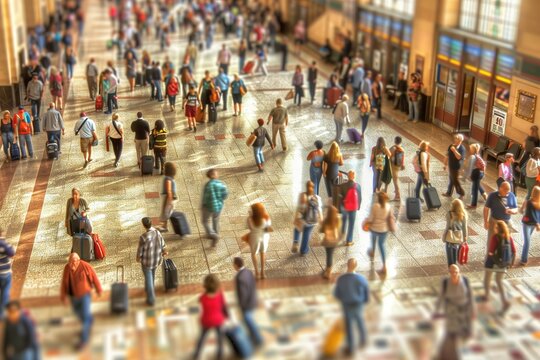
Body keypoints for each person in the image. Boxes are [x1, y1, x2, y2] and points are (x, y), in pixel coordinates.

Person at [60, 253, 102, 350]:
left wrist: (99, 290)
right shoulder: (67, 268)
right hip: (73, 296)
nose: (71, 265)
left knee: (85, 318)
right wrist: (63, 297)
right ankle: (88, 322)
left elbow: (94, 277)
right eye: (70, 262)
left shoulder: (85, 266)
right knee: (78, 314)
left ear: (78, 260)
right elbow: (64, 283)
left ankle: (83, 340)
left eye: (73, 262)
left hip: (84, 296)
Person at [433, 265, 475, 360]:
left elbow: (470, 297)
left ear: (459, 271)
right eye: (452, 272)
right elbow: (441, 297)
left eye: (456, 272)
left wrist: (472, 311)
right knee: (452, 333)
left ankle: (446, 354)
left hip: (464, 311)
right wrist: (436, 311)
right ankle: (450, 355)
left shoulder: (465, 281)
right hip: (451, 311)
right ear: (449, 272)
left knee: (459, 334)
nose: (454, 274)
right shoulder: (445, 282)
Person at [334, 259, 369, 355]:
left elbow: (337, 294)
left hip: (346, 304)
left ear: (347, 265)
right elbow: (366, 293)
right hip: (358, 304)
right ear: (356, 266)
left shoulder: (341, 279)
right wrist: (364, 300)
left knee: (348, 326)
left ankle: (351, 348)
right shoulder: (361, 279)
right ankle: (363, 340)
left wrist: (343, 299)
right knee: (360, 321)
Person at [483, 221, 516, 314]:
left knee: (487, 278)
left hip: (493, 263)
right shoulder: (509, 237)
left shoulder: (495, 237)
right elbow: (514, 251)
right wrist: (510, 263)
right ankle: (505, 301)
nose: (494, 229)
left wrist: (489, 258)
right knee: (499, 281)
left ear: (498, 229)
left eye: (496, 228)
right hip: (504, 263)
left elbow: (490, 251)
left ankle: (487, 296)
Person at [193, 274, 228, 360]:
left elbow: (200, 299)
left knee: (202, 338)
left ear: (205, 286)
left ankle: (197, 354)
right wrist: (226, 316)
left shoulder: (203, 298)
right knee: (220, 338)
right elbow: (224, 307)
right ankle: (220, 355)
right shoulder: (220, 295)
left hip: (206, 321)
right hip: (218, 320)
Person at [233, 257, 263, 347]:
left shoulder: (239, 277)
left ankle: (258, 340)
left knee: (249, 322)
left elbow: (242, 294)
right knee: (249, 322)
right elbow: (253, 285)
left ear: (236, 265)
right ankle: (253, 338)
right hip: (252, 300)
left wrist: (241, 307)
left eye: (233, 265)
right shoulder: (248, 272)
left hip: (246, 305)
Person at [137, 217, 167, 306]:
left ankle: (151, 299)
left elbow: (140, 251)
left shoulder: (143, 237)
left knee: (148, 277)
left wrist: (138, 258)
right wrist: (164, 251)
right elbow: (163, 244)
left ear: (144, 225)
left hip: (147, 261)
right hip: (157, 259)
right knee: (152, 274)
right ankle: (148, 288)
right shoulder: (157, 233)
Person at [483, 181, 518, 251]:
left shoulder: (511, 195)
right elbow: (486, 209)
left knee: (505, 241)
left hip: (506, 222)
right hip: (494, 221)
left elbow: (516, 209)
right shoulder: (492, 196)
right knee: (491, 241)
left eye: (508, 191)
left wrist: (512, 211)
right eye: (506, 191)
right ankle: (489, 257)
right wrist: (485, 221)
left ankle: (502, 256)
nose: (507, 194)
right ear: (500, 189)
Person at [365, 192, 394, 275]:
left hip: (374, 229)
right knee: (381, 245)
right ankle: (384, 265)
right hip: (384, 229)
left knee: (373, 241)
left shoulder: (375, 206)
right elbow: (390, 218)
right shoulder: (388, 206)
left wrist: (368, 222)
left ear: (378, 198)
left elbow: (370, 219)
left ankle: (372, 252)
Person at [292, 181, 322, 255]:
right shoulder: (317, 198)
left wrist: (296, 218)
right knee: (306, 234)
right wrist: (321, 219)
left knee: (296, 229)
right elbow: (319, 210)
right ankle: (303, 250)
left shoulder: (302, 196)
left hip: (303, 218)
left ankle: (296, 241)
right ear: (313, 188)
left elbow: (298, 208)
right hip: (312, 221)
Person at [202, 169, 229, 246]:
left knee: (205, 221)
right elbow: (225, 195)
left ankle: (213, 235)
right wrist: (220, 200)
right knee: (215, 220)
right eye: (216, 173)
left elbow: (206, 197)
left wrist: (204, 204)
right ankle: (216, 233)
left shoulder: (207, 185)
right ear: (213, 175)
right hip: (219, 207)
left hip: (209, 207)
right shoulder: (221, 184)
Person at [336, 170, 362, 246]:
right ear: (354, 176)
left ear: (347, 176)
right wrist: (358, 207)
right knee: (351, 224)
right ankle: (349, 240)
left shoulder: (343, 185)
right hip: (353, 208)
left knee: (343, 221)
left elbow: (339, 197)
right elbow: (360, 198)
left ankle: (341, 237)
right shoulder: (358, 186)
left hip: (345, 207)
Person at [246, 203, 271, 279]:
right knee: (262, 253)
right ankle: (263, 272)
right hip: (264, 237)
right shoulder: (265, 218)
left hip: (254, 237)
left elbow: (250, 228)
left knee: (254, 254)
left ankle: (257, 272)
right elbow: (268, 226)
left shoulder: (249, 219)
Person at [442, 199, 468, 266]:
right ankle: (455, 269)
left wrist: (444, 237)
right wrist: (465, 237)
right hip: (458, 239)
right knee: (456, 256)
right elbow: (464, 227)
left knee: (450, 259)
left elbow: (447, 227)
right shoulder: (463, 214)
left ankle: (451, 270)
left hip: (450, 238)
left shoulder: (449, 214)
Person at [519, 186, 540, 265]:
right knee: (527, 241)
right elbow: (531, 214)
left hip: (533, 225)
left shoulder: (538, 203)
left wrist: (538, 223)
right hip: (527, 224)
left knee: (527, 241)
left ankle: (523, 257)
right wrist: (537, 223)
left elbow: (538, 215)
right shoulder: (529, 202)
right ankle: (523, 260)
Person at [320, 205, 341, 279]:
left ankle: (328, 271)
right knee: (330, 254)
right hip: (334, 241)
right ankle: (328, 268)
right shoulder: (337, 220)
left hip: (327, 241)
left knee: (329, 255)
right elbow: (338, 229)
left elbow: (322, 230)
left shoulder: (326, 220)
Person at [442, 134, 466, 200]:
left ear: (460, 140)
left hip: (457, 167)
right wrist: (445, 164)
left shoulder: (462, 148)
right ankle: (449, 193)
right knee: (451, 179)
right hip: (451, 165)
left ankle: (462, 193)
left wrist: (454, 150)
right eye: (455, 138)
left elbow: (459, 157)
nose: (455, 140)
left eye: (457, 139)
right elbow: (447, 155)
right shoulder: (451, 146)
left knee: (455, 180)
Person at [463, 143, 487, 209]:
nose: (469, 150)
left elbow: (470, 167)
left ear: (473, 150)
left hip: (477, 173)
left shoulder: (473, 157)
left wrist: (468, 175)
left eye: (470, 149)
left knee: (474, 189)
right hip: (480, 172)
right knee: (477, 184)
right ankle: (484, 194)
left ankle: (474, 204)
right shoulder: (477, 155)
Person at [0, 228, 15, 319]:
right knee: (5, 291)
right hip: (4, 273)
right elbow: (11, 252)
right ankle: (1, 313)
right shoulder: (3, 244)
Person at [388, 136, 405, 201]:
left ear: (395, 141)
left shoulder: (393, 148)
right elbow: (403, 158)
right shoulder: (402, 149)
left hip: (393, 166)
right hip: (398, 166)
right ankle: (396, 191)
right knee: (396, 179)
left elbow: (389, 155)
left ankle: (397, 196)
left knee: (395, 181)